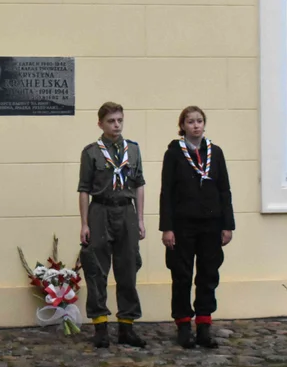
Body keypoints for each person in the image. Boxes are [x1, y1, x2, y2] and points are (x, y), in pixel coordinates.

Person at [159, 106, 235, 349]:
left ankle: (204, 325)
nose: (195, 125)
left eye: (199, 121)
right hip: (182, 225)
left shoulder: (216, 152)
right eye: (190, 121)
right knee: (181, 275)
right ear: (182, 126)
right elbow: (166, 192)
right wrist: (167, 228)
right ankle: (183, 325)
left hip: (211, 225)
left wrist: (227, 224)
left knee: (208, 275)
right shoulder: (174, 154)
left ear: (204, 124)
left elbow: (224, 190)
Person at [78, 102, 147, 349]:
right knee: (97, 269)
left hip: (125, 211)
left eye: (119, 120)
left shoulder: (133, 150)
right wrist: (84, 223)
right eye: (111, 121)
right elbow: (84, 190)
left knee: (128, 267)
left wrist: (140, 218)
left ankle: (127, 325)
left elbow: (139, 184)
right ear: (100, 124)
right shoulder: (91, 152)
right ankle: (100, 325)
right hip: (100, 210)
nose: (116, 125)